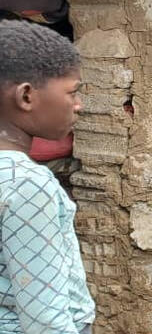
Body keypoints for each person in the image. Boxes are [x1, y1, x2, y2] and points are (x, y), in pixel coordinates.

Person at [0, 19, 95, 334]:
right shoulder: (27, 184)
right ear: (26, 97)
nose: (78, 105)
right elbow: (45, 322)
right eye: (72, 92)